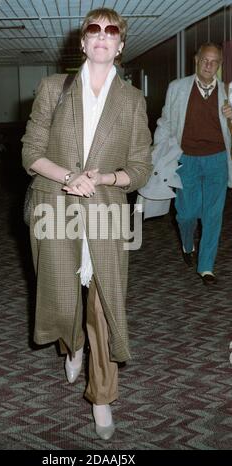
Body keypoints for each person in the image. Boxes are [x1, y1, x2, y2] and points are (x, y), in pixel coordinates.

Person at [21, 7, 152, 440]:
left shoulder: (132, 101)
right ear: (82, 43)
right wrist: (68, 177)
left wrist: (105, 177)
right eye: (93, 29)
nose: (102, 35)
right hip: (53, 208)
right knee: (62, 299)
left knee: (104, 306)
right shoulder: (52, 89)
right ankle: (70, 344)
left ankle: (102, 397)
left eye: (111, 30)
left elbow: (140, 168)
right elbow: (30, 153)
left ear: (119, 45)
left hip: (107, 213)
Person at [153, 42, 232, 286]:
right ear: (196, 60)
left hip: (218, 159)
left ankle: (206, 266)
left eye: (214, 61)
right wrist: (158, 152)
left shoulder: (228, 93)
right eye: (204, 60)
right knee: (186, 213)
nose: (209, 65)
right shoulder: (177, 88)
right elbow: (166, 122)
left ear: (219, 65)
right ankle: (188, 243)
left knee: (213, 214)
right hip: (185, 158)